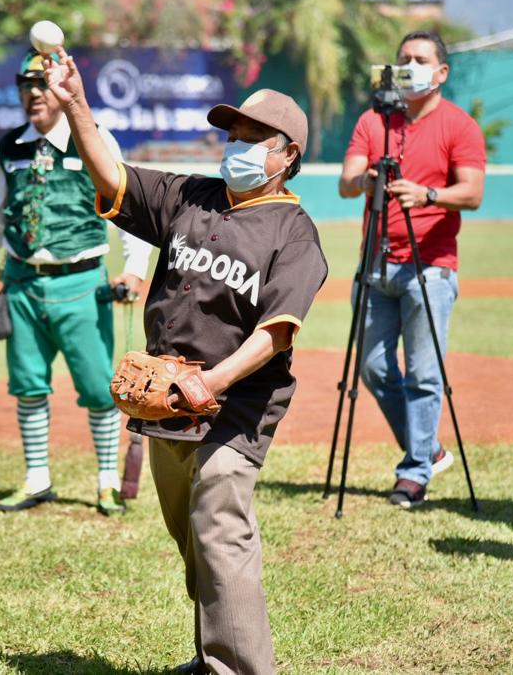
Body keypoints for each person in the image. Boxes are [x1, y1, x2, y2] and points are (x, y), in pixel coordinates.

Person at [46, 46, 327, 673]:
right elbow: (111, 177)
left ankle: (239, 669)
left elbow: (276, 332)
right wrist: (76, 106)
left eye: (259, 138)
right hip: (166, 401)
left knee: (221, 531)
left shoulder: (293, 232)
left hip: (236, 405)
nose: (240, 144)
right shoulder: (189, 197)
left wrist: (213, 383)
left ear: (288, 158)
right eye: (234, 134)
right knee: (193, 538)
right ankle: (210, 656)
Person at [0, 49, 152, 516]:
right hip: (23, 286)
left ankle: (107, 482)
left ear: (61, 88)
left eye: (40, 85)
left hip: (82, 284)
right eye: (24, 86)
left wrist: (135, 269)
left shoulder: (94, 139)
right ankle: (36, 478)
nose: (32, 95)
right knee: (27, 386)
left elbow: (128, 211)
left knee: (96, 388)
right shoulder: (10, 148)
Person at [338, 30, 486, 508]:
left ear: (442, 72)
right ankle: (430, 449)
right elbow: (346, 184)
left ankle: (414, 472)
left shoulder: (460, 126)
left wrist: (428, 195)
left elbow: (473, 193)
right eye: (403, 59)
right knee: (374, 367)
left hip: (431, 267)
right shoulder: (373, 120)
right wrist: (369, 179)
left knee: (424, 373)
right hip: (376, 263)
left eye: (420, 59)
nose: (409, 66)